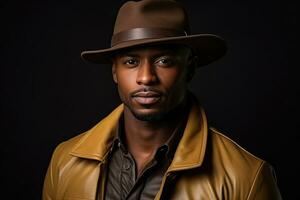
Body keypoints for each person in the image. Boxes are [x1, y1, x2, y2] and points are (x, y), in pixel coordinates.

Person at [43, 0, 282, 199]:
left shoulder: (246, 178)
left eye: (164, 61)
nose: (146, 77)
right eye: (131, 62)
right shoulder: (64, 162)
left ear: (189, 68)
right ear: (114, 71)